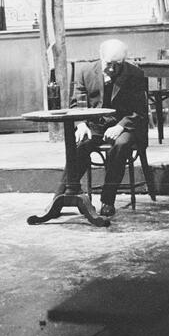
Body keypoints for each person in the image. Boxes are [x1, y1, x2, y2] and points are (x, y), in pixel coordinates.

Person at [60, 38, 148, 218]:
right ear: (100, 57)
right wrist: (81, 123)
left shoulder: (135, 74)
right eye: (109, 63)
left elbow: (140, 111)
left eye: (118, 64)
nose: (113, 69)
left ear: (124, 59)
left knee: (121, 145)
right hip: (95, 124)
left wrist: (120, 126)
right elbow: (76, 104)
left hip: (125, 125)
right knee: (79, 144)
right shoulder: (85, 71)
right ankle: (62, 196)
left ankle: (108, 200)